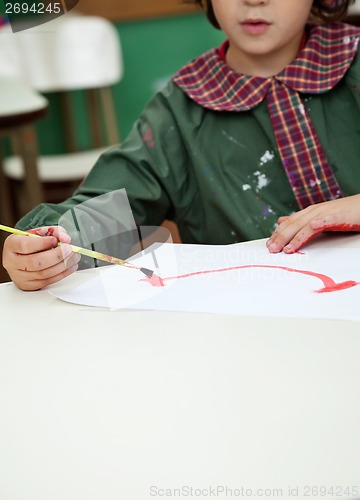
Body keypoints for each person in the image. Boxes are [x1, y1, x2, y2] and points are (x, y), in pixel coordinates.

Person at [3, 0, 360, 291]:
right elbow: (105, 213)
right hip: (254, 334)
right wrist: (47, 248)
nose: (254, 0)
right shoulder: (177, 113)